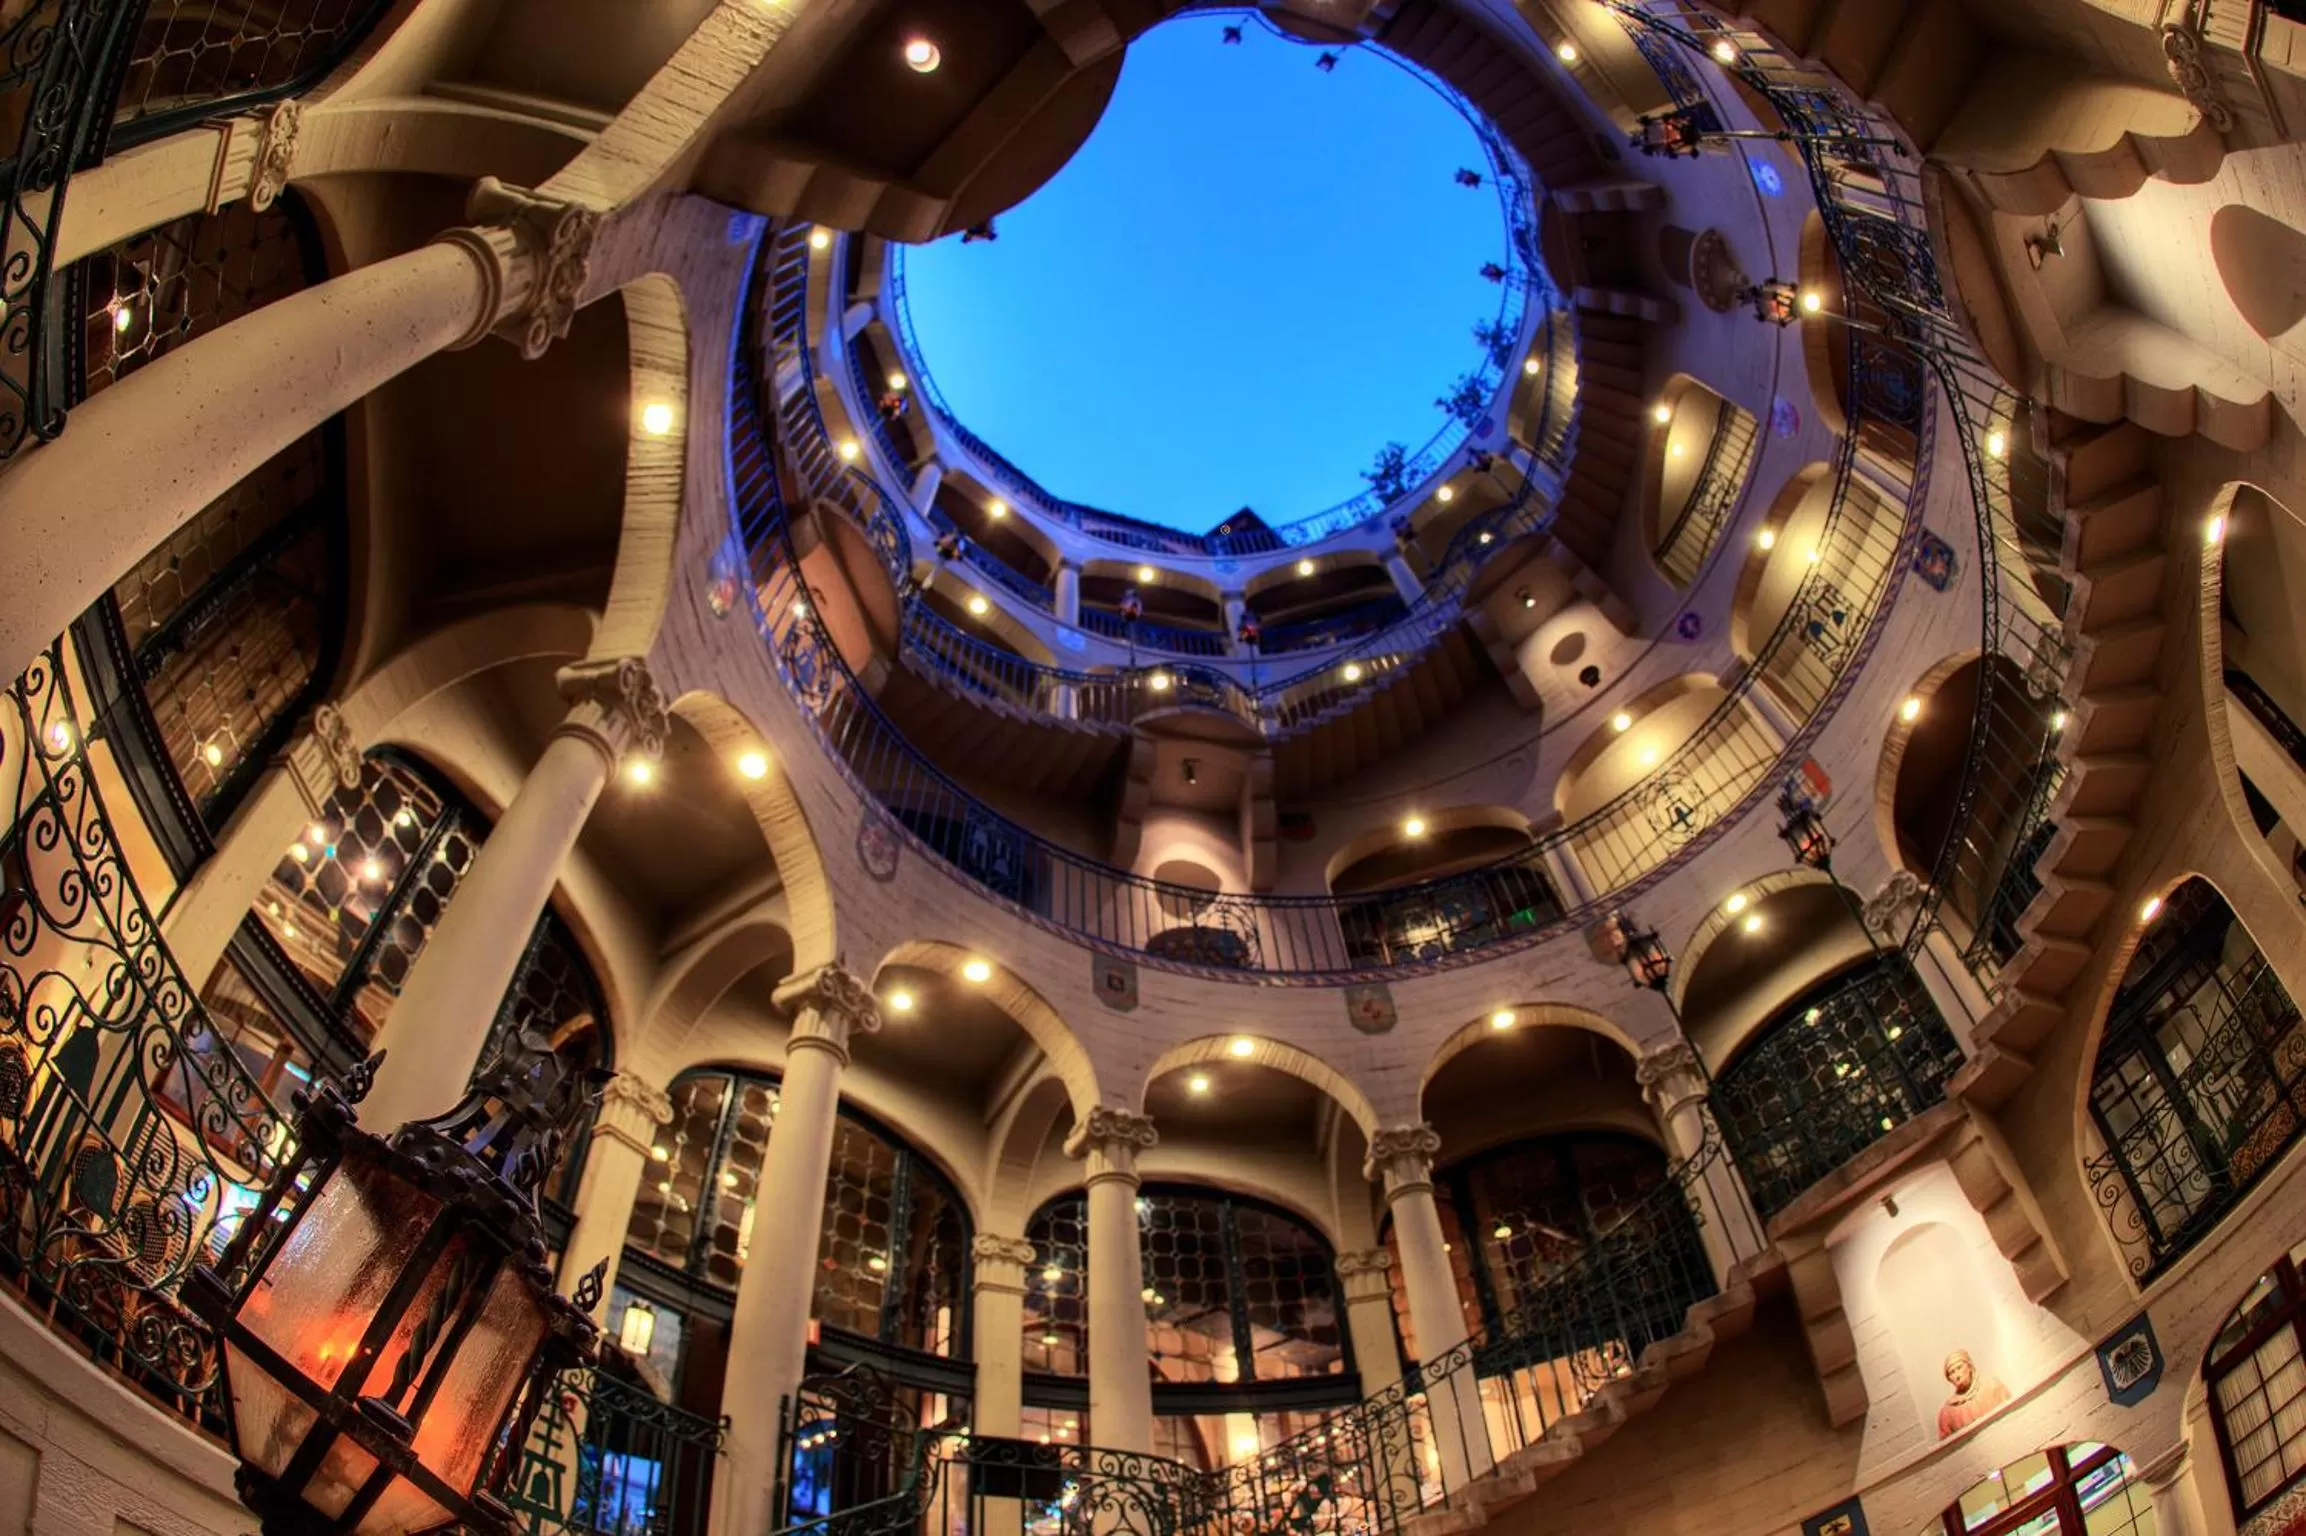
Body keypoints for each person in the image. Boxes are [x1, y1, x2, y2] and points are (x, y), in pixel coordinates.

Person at [1936, 1348, 2010, 1437]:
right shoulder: (1947, 1413)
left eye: (1959, 1367)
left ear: (1969, 1367)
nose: (1957, 1375)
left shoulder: (1992, 1386)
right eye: (1952, 1372)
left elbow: (2011, 1416)